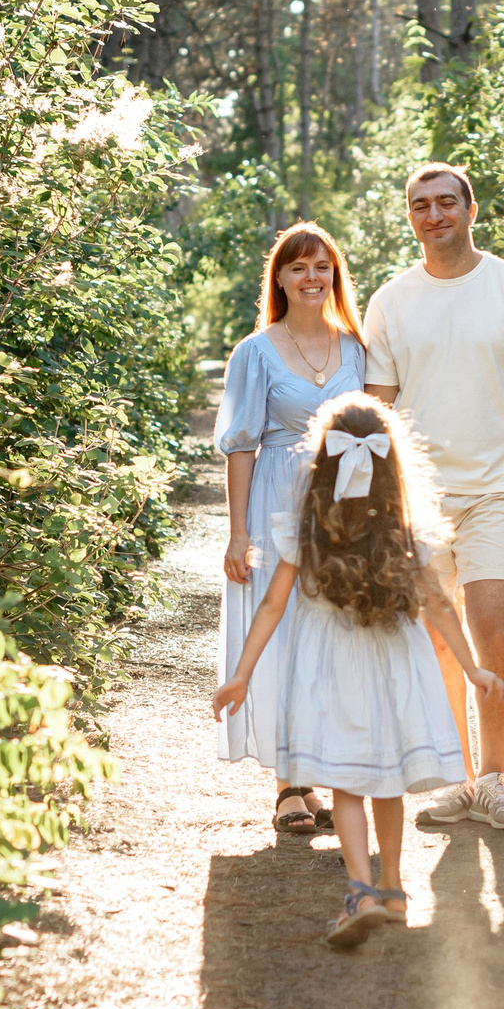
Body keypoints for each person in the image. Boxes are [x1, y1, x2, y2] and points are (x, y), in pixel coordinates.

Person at [213, 394, 496, 947]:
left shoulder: (307, 524)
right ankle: (392, 888)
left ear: (322, 462)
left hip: (330, 665)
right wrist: (474, 669)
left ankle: (361, 891)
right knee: (387, 780)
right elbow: (439, 604)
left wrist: (242, 673)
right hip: (392, 662)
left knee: (345, 785)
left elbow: (272, 605)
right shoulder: (404, 527)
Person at [360, 163, 504, 832]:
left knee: (490, 627)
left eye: (446, 202)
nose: (434, 214)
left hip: (497, 492)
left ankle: (494, 778)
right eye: (420, 205)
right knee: (438, 641)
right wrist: (376, 501)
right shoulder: (391, 300)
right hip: (419, 498)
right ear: (410, 217)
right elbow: (376, 409)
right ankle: (455, 778)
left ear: (471, 210)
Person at [216, 223, 370, 833]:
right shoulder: (256, 351)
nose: (312, 278)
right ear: (279, 278)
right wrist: (237, 534)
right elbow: (240, 447)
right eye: (299, 268)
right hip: (274, 497)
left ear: (335, 276)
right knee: (280, 631)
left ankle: (321, 765)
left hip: (343, 502)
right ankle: (288, 784)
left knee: (332, 638)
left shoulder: (357, 348)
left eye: (322, 267)